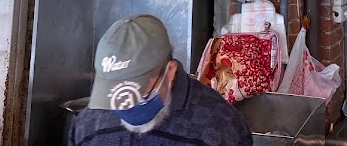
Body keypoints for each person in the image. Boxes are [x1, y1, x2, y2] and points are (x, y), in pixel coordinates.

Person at [69, 14, 253, 146]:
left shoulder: (219, 125)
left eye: (137, 94)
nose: (126, 107)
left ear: (170, 72)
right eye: (115, 97)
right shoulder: (88, 125)